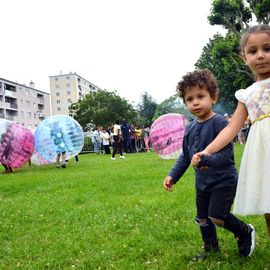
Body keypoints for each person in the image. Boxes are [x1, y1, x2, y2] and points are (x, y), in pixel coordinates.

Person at [163, 69, 255, 260]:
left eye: (200, 96)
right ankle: (210, 248)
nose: (195, 102)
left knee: (218, 216)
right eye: (189, 99)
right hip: (202, 184)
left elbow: (226, 153)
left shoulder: (220, 122)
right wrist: (173, 176)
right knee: (203, 218)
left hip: (224, 180)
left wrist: (206, 159)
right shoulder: (190, 128)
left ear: (213, 97)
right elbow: (185, 156)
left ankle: (244, 231)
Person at [192, 24, 270, 238]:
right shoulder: (246, 94)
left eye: (267, 48)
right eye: (253, 51)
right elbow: (231, 129)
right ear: (244, 57)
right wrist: (206, 151)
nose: (261, 56)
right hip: (262, 153)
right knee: (268, 204)